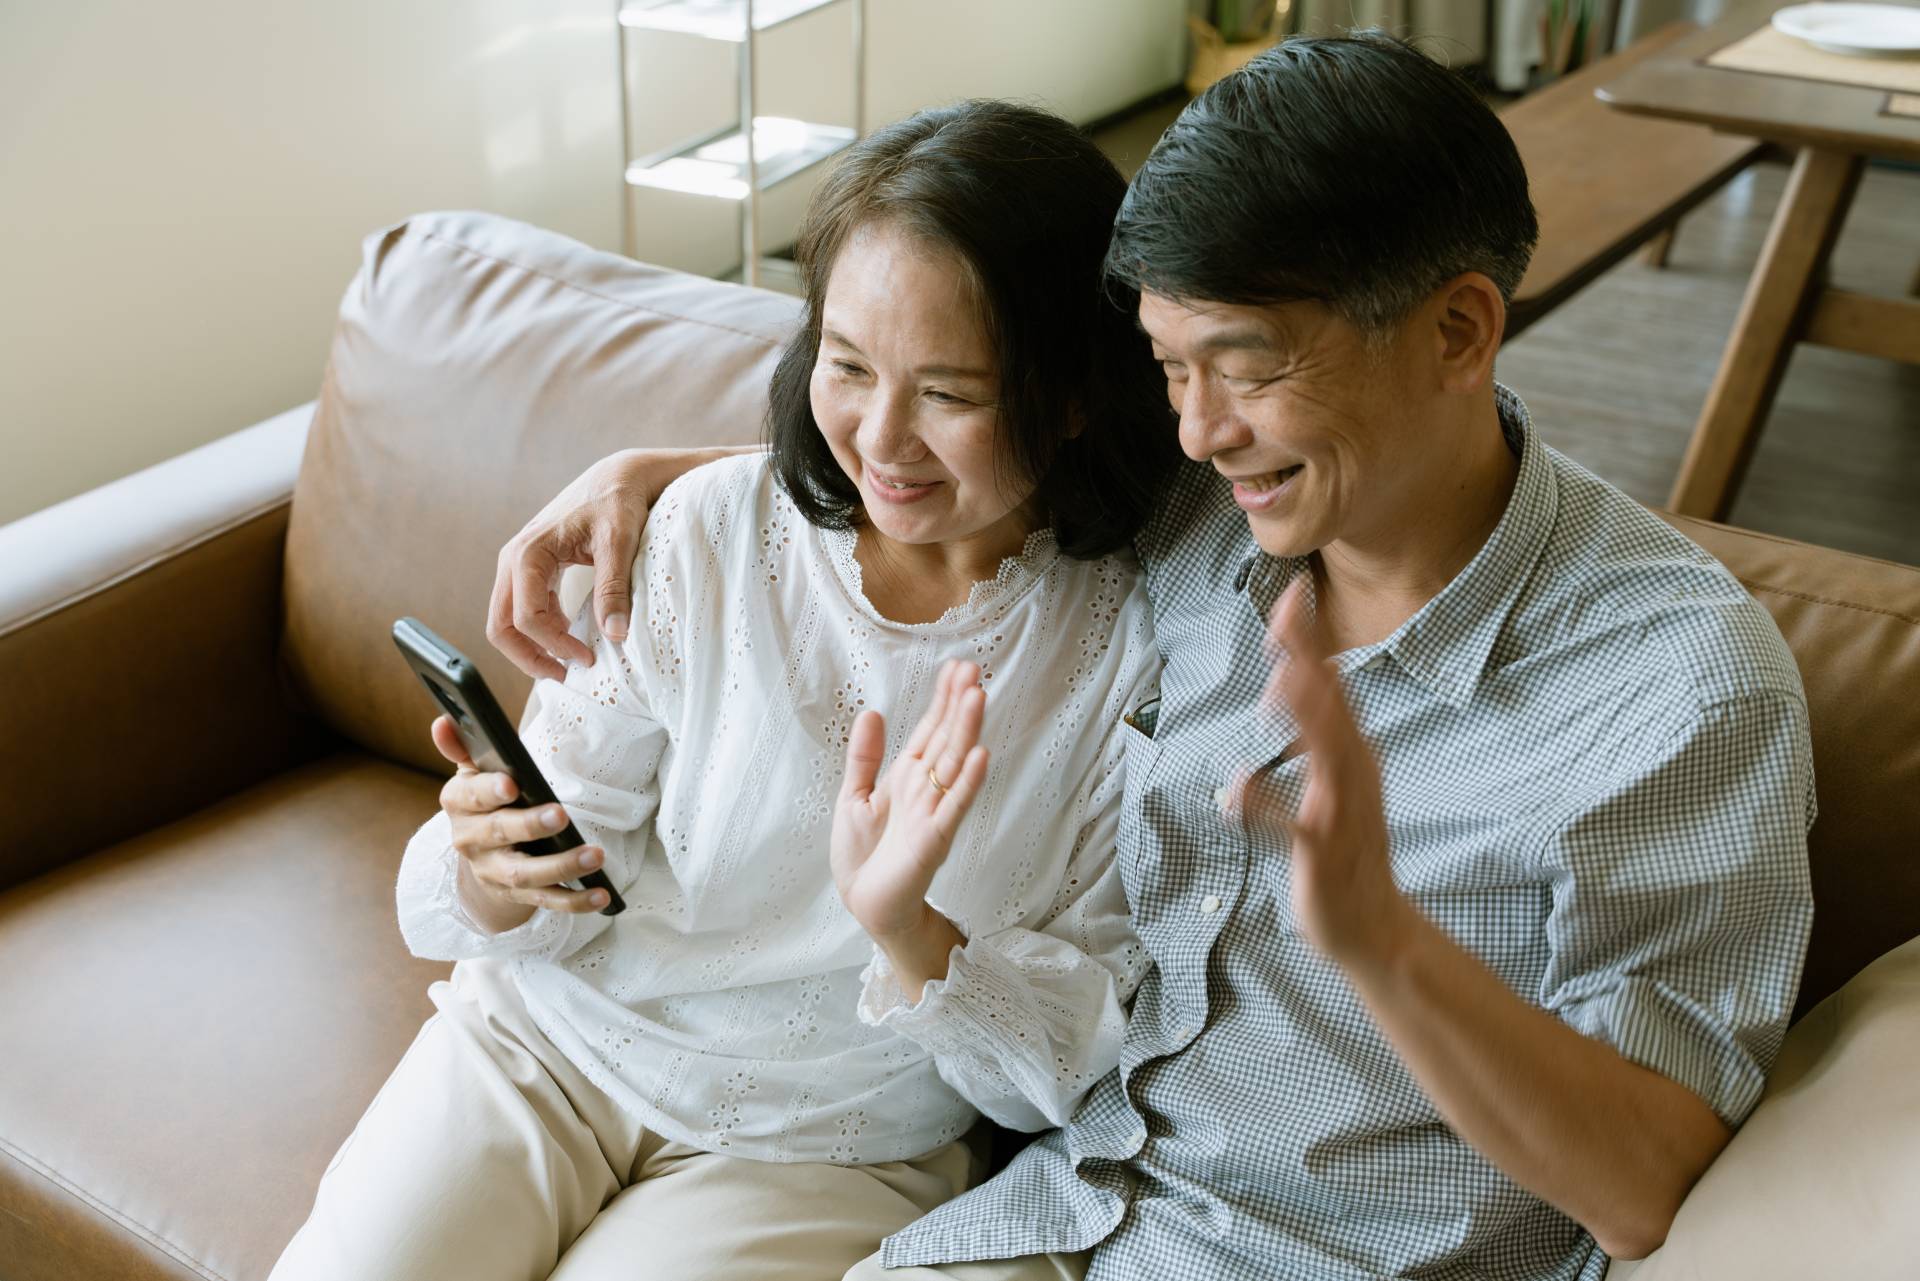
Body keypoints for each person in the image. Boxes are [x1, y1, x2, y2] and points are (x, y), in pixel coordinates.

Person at [491, 32, 1817, 1281]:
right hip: (1063, 1208)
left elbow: (1650, 1184)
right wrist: (660, 482)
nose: (1195, 431)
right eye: (1169, 368)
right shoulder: (1204, 514)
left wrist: (1386, 947)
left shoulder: (1680, 691)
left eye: (1241, 367)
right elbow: (947, 451)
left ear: (1461, 329)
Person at [269, 99, 1179, 1281]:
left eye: (951, 394)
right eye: (847, 367)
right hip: (546, 1047)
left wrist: (910, 928)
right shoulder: (703, 530)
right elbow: (555, 848)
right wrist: (493, 870)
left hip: (821, 1149)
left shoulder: (1124, 653)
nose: (883, 439)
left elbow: (1062, 1072)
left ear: (1071, 393)